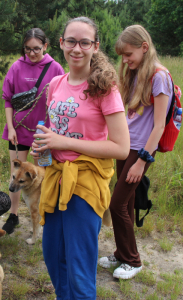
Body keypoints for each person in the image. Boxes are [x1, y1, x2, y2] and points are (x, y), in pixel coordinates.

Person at [30, 17, 130, 300]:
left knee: (78, 267)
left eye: (85, 42)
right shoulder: (55, 84)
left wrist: (62, 142)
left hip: (85, 183)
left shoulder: (105, 88)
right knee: (53, 257)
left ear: (95, 46)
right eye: (71, 41)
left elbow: (121, 147)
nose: (77, 48)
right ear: (60, 43)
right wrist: (45, 147)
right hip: (56, 178)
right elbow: (57, 131)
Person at [98, 25, 173, 280]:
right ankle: (121, 254)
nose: (125, 60)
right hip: (125, 145)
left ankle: (133, 260)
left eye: (129, 54)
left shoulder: (159, 76)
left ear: (144, 47)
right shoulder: (135, 72)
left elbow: (159, 125)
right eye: (122, 56)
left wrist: (142, 161)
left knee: (116, 203)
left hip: (141, 150)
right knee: (125, 204)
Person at [1, 28, 64, 234]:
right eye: (27, 49)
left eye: (36, 49)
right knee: (16, 174)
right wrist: (10, 128)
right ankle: (14, 215)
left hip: (43, 132)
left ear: (45, 46)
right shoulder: (17, 67)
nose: (32, 53)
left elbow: (62, 101)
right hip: (17, 131)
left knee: (38, 177)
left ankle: (41, 217)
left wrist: (55, 134)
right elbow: (8, 99)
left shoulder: (55, 68)